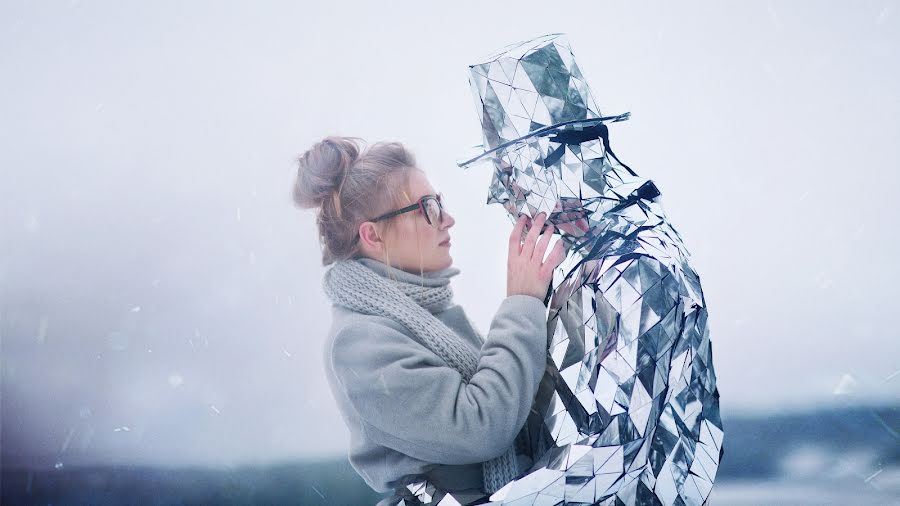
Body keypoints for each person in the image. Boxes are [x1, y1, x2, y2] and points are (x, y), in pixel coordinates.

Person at [293, 136, 566, 505]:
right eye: (428, 208)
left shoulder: (424, 317)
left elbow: (516, 403)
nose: (447, 219)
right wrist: (521, 303)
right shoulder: (358, 344)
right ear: (373, 235)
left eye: (440, 204)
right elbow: (481, 425)